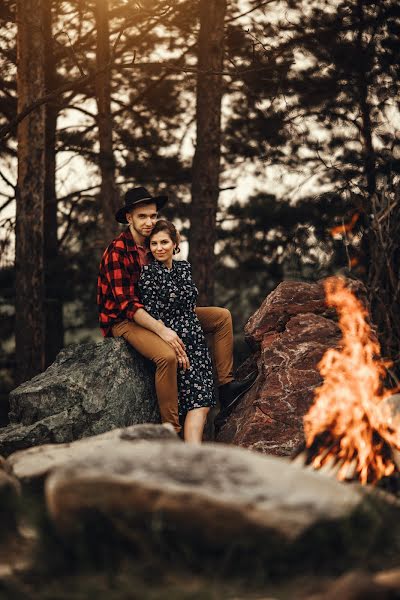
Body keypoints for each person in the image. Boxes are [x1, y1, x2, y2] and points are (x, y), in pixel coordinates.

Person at [97, 186, 257, 437]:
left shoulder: (153, 247)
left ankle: (226, 386)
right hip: (125, 320)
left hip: (159, 314)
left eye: (152, 215)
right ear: (129, 218)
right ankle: (170, 429)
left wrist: (175, 321)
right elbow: (127, 305)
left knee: (221, 317)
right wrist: (164, 332)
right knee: (166, 357)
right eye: (142, 216)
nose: (149, 221)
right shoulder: (118, 251)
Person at [139, 220, 215, 442]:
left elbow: (189, 304)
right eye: (153, 243)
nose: (159, 248)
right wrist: (177, 347)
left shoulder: (184, 268)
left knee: (204, 403)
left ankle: (191, 455)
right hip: (176, 343)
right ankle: (193, 457)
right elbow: (155, 318)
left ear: (175, 243)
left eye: (164, 242)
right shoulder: (149, 274)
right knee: (197, 404)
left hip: (196, 342)